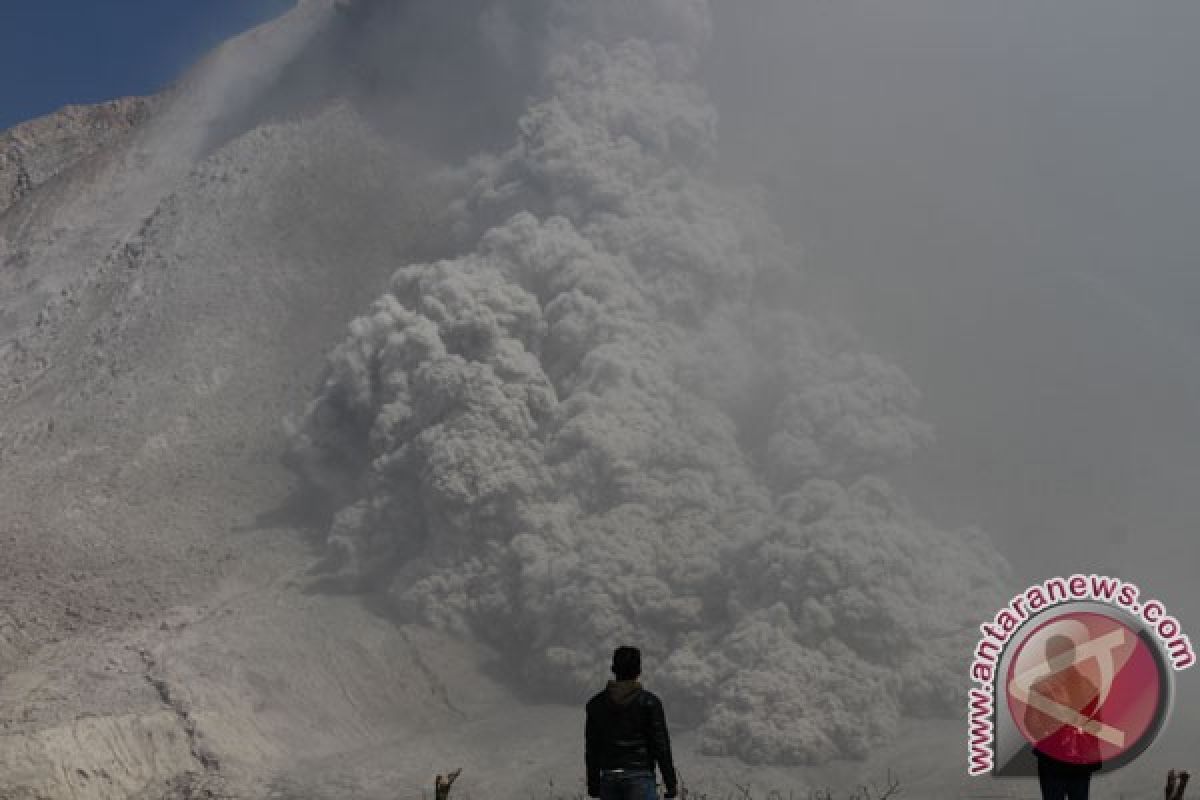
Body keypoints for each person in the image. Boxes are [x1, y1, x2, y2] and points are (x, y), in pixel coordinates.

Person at [586, 646, 678, 800]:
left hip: (608, 778)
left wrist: (594, 785)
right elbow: (661, 746)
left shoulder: (596, 704)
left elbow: (592, 748)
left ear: (613, 669)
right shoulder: (650, 702)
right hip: (640, 776)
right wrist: (670, 783)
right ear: (639, 671)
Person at [1023, 635, 1104, 800]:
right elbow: (1097, 725)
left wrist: (1051, 734)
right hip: (1079, 760)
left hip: (1052, 759)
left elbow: (1031, 723)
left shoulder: (1040, 686)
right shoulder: (1089, 686)